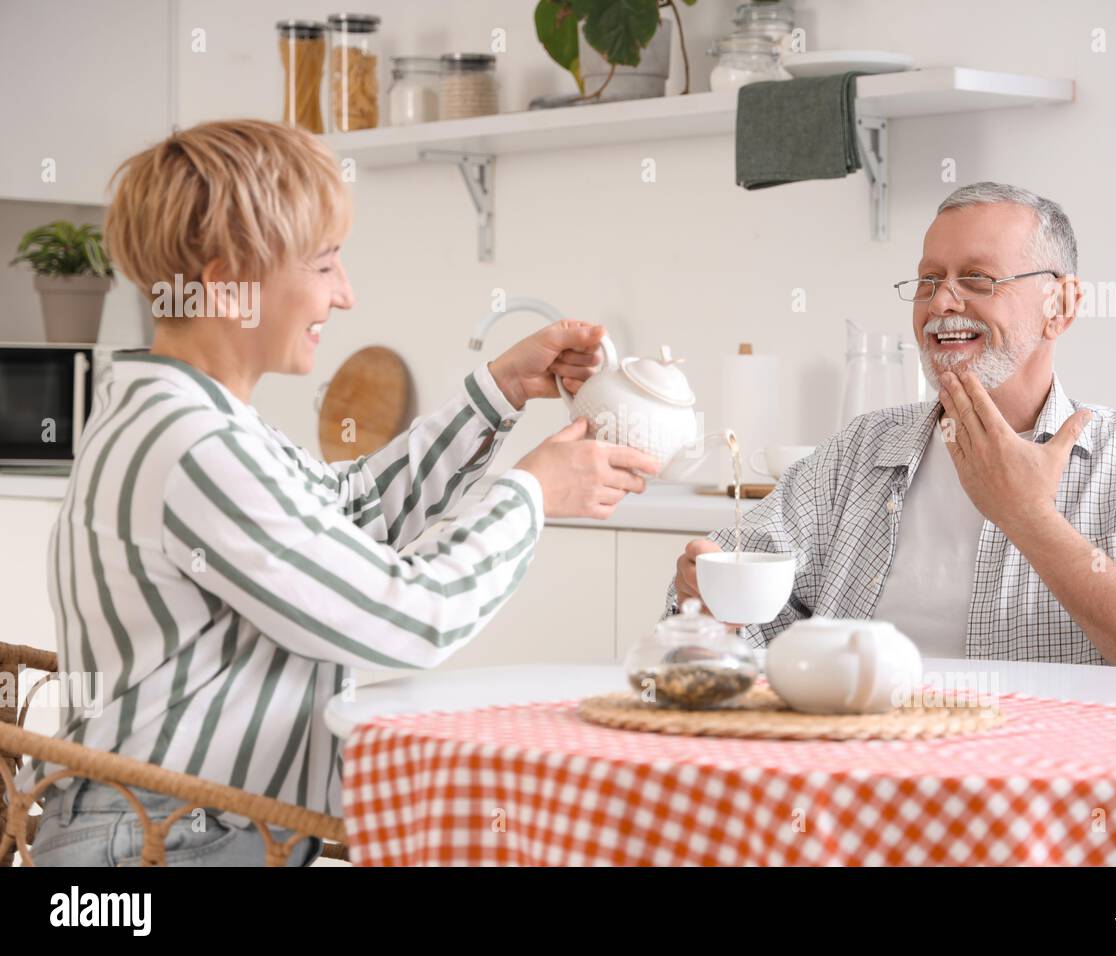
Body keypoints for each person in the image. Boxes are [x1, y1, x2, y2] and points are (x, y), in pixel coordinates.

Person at [22, 119, 657, 866]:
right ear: (230, 286)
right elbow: (407, 616)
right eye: (325, 266)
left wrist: (502, 389)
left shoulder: (184, 415)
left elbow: (343, 516)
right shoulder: (196, 446)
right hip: (161, 846)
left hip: (180, 830)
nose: (346, 295)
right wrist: (531, 495)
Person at [668, 182, 1116, 676]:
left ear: (1061, 305)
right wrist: (705, 599)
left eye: (978, 279)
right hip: (862, 785)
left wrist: (1031, 520)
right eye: (928, 280)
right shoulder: (858, 455)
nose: (942, 300)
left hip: (1043, 797)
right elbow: (724, 618)